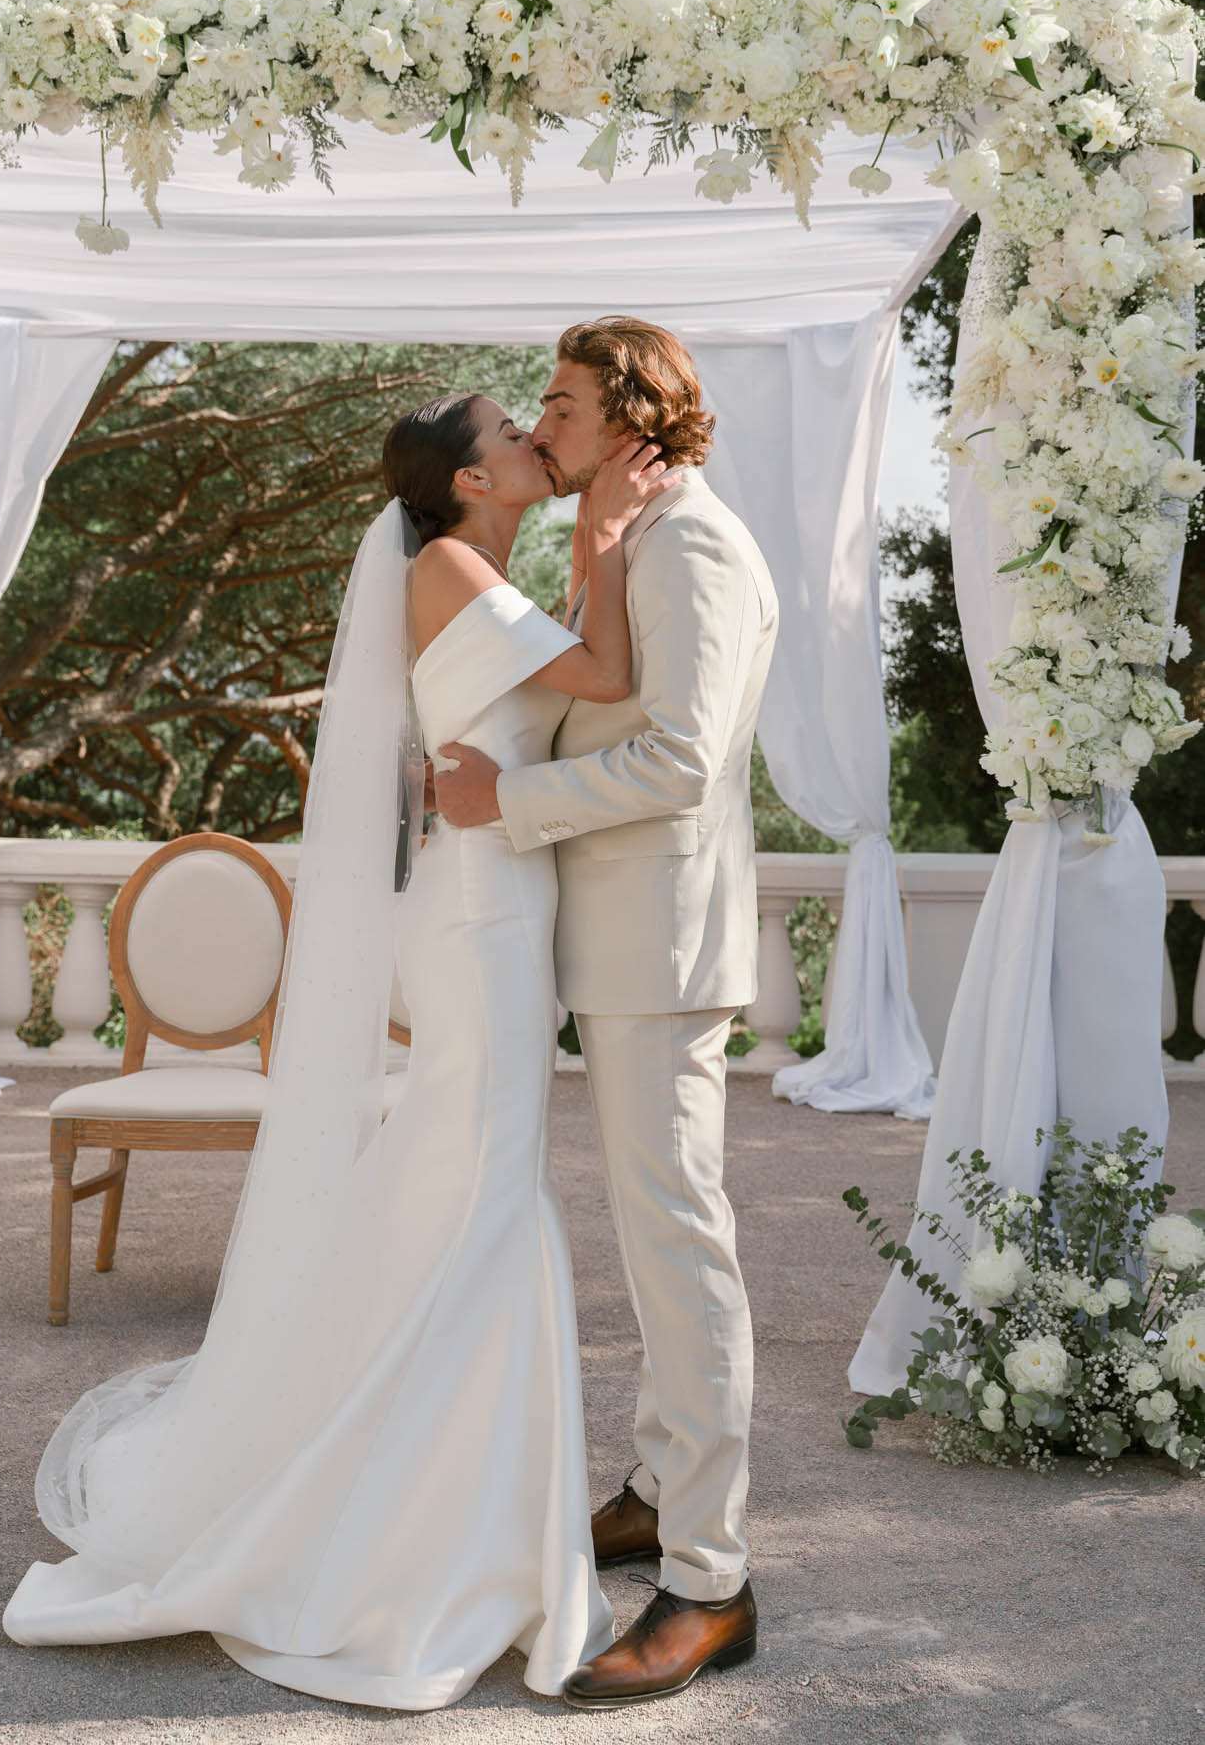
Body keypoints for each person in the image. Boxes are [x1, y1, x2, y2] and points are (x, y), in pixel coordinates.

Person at [1, 389, 675, 1710]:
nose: (535, 440)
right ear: (467, 480)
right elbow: (605, 680)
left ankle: (445, 1486)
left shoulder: (476, 568)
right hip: (480, 914)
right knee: (484, 1180)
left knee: (464, 1176)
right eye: (512, 432)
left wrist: (590, 552)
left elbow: (553, 699)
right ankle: (439, 1524)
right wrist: (606, 538)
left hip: (499, 898)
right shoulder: (448, 566)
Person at [434, 315, 778, 1710]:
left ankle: (710, 1579)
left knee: (681, 1246)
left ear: (633, 417)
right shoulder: (633, 540)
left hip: (664, 953)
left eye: (563, 402)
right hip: (621, 944)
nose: (542, 423)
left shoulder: (693, 547)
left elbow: (680, 759)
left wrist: (502, 801)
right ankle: (653, 1487)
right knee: (650, 1241)